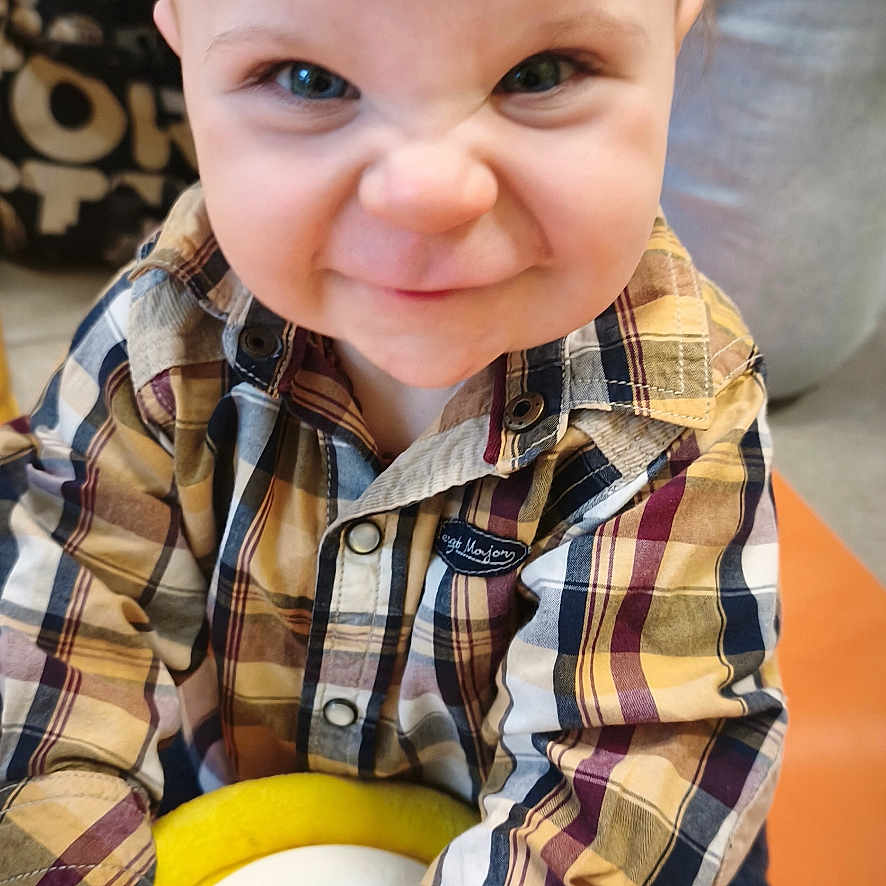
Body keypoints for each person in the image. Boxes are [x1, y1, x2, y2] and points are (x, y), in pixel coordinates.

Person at [0, 1, 785, 884]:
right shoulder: (162, 332)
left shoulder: (672, 408)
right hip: (238, 799)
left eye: (540, 74)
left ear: (679, 20)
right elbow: (62, 640)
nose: (425, 194)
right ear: (178, 31)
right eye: (310, 81)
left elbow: (632, 775)